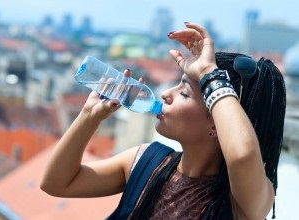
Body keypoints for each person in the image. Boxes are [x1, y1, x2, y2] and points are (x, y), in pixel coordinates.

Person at [40, 22, 286, 219]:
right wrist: (88, 117)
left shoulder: (242, 202)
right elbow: (56, 183)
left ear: (216, 122)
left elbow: (242, 157)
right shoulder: (146, 162)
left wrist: (210, 76)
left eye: (185, 92)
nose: (167, 94)